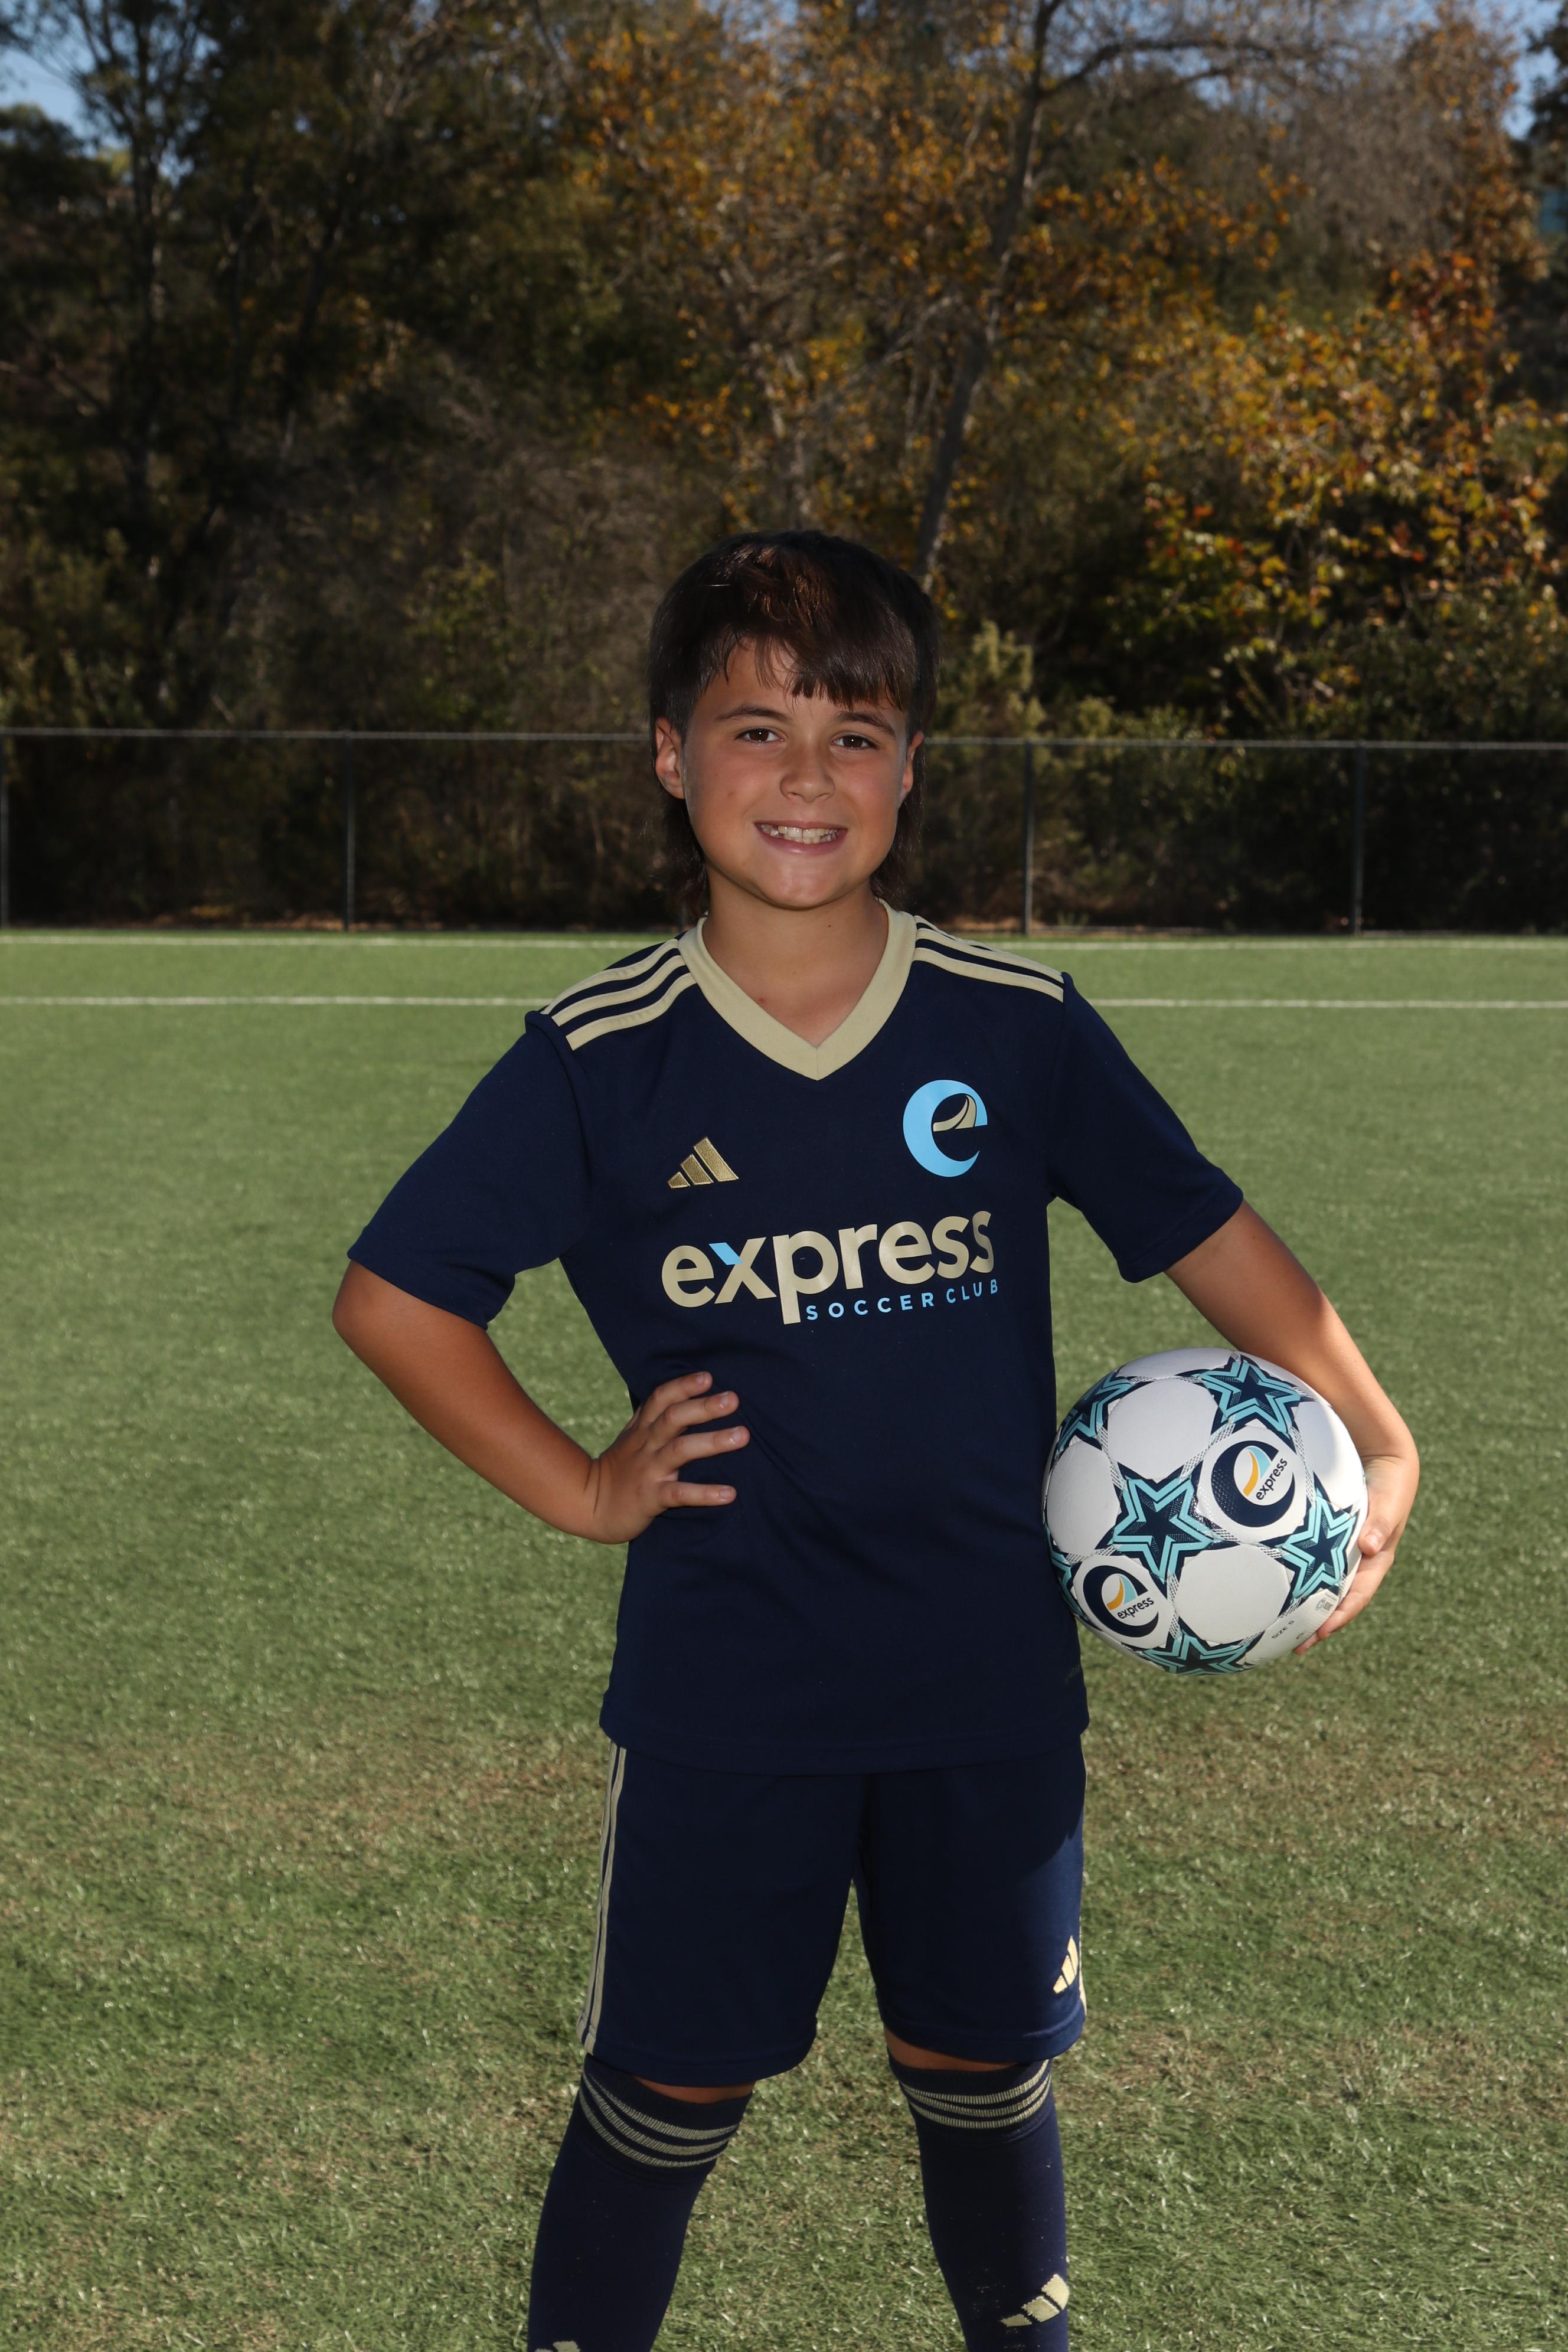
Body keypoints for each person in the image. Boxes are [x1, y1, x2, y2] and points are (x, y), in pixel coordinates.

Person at [332, 531, 1419, 2351]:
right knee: (668, 2092)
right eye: (755, 729)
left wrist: (1378, 1445)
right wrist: (583, 1487)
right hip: (730, 1693)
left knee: (982, 2067)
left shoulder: (1014, 1027)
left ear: (912, 767)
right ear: (669, 753)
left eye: (855, 733)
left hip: (986, 1685)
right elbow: (396, 1298)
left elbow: (1213, 1237)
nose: (807, 775)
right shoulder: (603, 1057)